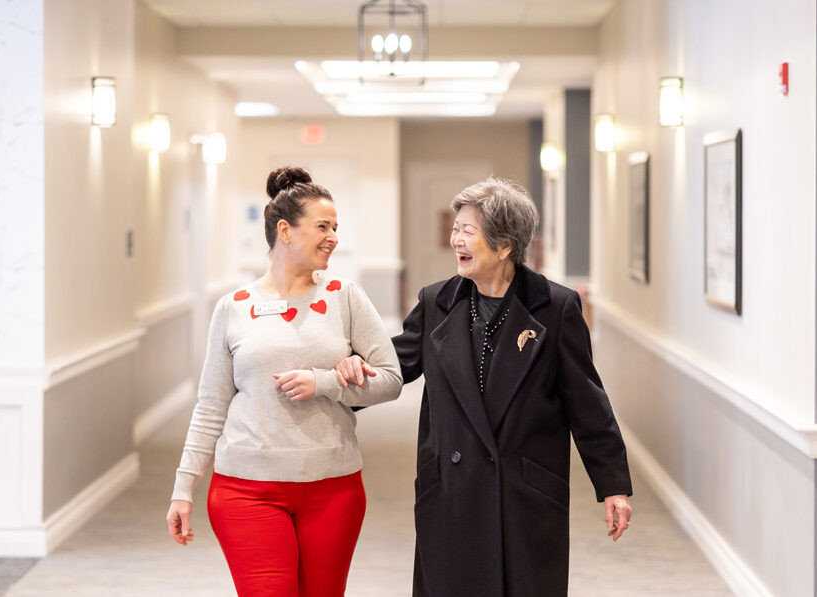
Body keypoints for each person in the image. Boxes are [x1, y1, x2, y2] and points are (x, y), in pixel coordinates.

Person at [337, 177, 633, 597]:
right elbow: (394, 367)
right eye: (456, 228)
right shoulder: (436, 301)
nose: (456, 239)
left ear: (505, 245)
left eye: (467, 231)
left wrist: (614, 484)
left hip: (524, 490)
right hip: (451, 488)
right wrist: (345, 376)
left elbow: (586, 402)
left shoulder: (555, 307)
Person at [166, 166, 403, 597]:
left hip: (334, 488)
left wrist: (327, 382)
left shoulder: (344, 295)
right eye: (322, 226)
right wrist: (184, 489)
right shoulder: (233, 307)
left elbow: (390, 380)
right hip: (246, 490)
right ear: (285, 231)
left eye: (336, 227)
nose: (333, 236)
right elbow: (210, 405)